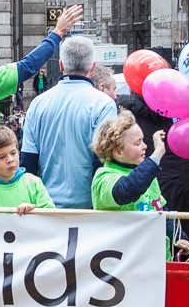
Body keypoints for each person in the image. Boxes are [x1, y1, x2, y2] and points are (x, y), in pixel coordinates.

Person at [18, 34, 116, 208]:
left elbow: (28, 160)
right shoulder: (103, 104)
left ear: (61, 65)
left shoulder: (38, 104)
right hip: (90, 208)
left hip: (45, 206)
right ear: (92, 67)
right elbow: (102, 159)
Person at [89, 110, 189, 259]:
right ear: (119, 151)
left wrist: (178, 237)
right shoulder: (104, 178)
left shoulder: (147, 175)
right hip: (126, 264)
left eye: (143, 141)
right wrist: (157, 154)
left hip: (155, 260)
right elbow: (128, 190)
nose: (145, 146)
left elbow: (161, 209)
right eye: (138, 143)